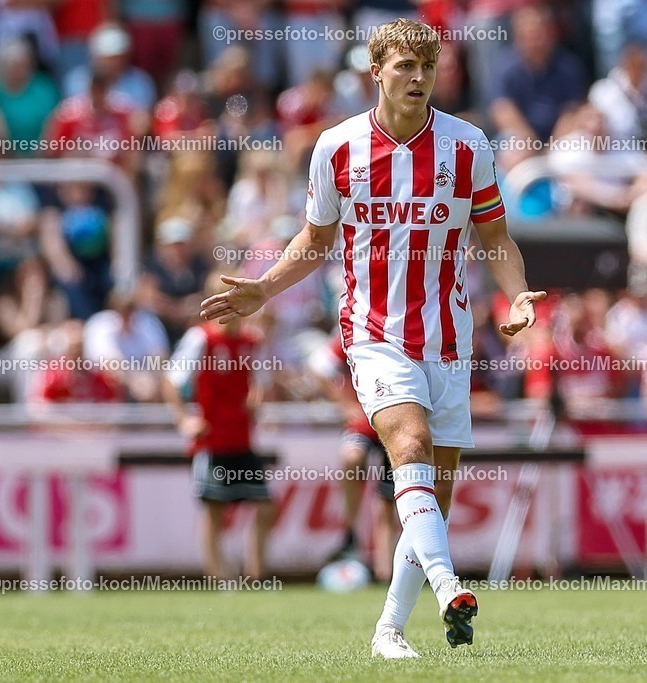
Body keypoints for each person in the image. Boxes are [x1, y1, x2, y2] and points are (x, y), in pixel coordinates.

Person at [200, 19, 546, 658]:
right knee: (407, 443)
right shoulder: (337, 147)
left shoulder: (467, 146)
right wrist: (264, 288)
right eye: (404, 66)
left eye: (426, 67)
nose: (417, 77)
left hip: (449, 337)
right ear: (376, 71)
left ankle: (388, 629)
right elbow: (315, 241)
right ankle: (449, 588)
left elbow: (496, 240)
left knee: (434, 496)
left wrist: (516, 294)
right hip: (374, 334)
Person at [165, 274, 274, 581]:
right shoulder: (201, 339)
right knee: (214, 510)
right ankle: (220, 579)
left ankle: (256, 575)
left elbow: (260, 383)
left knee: (264, 506)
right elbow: (172, 382)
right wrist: (184, 419)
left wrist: (257, 399)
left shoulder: (251, 342)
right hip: (212, 440)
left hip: (242, 437)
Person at [308, 337, 399, 582]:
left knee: (388, 502)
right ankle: (350, 531)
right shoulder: (354, 335)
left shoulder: (399, 334)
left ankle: (385, 574)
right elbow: (317, 366)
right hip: (363, 425)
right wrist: (344, 404)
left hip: (395, 424)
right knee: (351, 458)